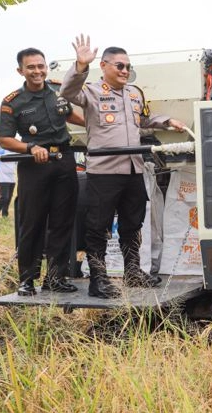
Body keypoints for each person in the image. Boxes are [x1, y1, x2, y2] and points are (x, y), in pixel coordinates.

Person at [60, 34, 187, 298]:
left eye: (128, 66)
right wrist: (81, 66)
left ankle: (132, 272)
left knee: (133, 223)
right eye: (119, 65)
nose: (125, 71)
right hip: (104, 171)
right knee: (98, 227)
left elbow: (142, 121)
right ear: (104, 66)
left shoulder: (133, 94)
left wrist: (166, 121)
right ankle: (98, 279)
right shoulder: (92, 92)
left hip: (133, 169)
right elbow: (67, 92)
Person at [0, 47, 83, 296]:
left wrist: (95, 122)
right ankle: (27, 279)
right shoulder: (13, 101)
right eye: (31, 67)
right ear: (21, 71)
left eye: (40, 66)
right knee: (32, 222)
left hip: (64, 160)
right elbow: (4, 139)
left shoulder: (58, 90)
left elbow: (70, 116)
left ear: (46, 67)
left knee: (62, 221)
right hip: (34, 165)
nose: (37, 71)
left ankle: (56, 278)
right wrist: (30, 146)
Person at [0, 147, 16, 217]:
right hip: (3, 177)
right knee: (4, 197)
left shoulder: (15, 152)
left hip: (12, 177)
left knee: (9, 197)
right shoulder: (1, 152)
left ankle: (4, 214)